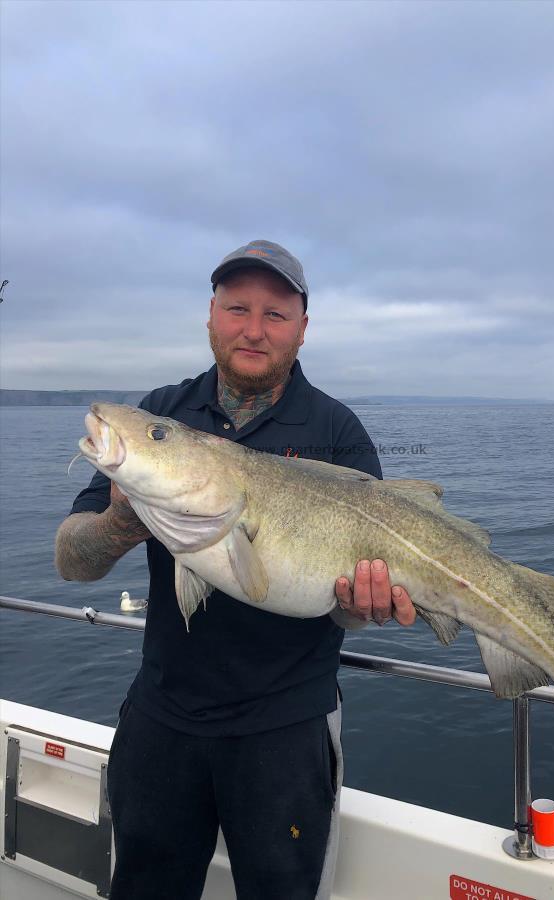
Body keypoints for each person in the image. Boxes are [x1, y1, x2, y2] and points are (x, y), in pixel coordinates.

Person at [55, 239, 416, 900]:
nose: (253, 328)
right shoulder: (164, 410)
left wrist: (362, 607)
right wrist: (122, 520)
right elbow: (71, 561)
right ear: (211, 316)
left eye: (275, 315)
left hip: (286, 728)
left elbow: (346, 603)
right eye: (236, 308)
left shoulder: (337, 432)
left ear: (302, 328)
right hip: (162, 716)